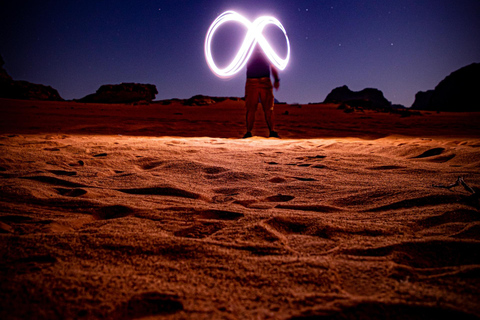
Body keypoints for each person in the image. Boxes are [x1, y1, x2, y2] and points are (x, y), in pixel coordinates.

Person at [243, 46, 280, 138]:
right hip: (252, 81)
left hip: (264, 81)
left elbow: (272, 64)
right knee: (251, 108)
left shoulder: (265, 49)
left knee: (268, 108)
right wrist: (276, 79)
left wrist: (276, 79)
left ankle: (272, 131)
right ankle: (248, 132)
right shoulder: (248, 49)